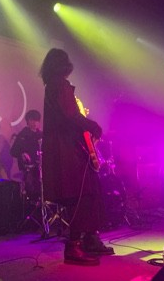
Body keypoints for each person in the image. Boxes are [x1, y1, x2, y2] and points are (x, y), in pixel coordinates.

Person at [39, 48, 114, 266]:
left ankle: (90, 238)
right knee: (80, 195)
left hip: (66, 150)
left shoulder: (52, 86)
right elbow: (71, 116)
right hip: (68, 152)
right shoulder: (59, 85)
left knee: (88, 191)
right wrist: (93, 126)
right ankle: (74, 246)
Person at [10, 109, 42, 200]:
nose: (35, 123)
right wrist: (22, 154)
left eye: (37, 120)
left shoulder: (41, 135)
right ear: (27, 121)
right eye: (32, 120)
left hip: (40, 169)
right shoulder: (23, 134)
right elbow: (13, 151)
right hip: (28, 170)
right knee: (32, 192)